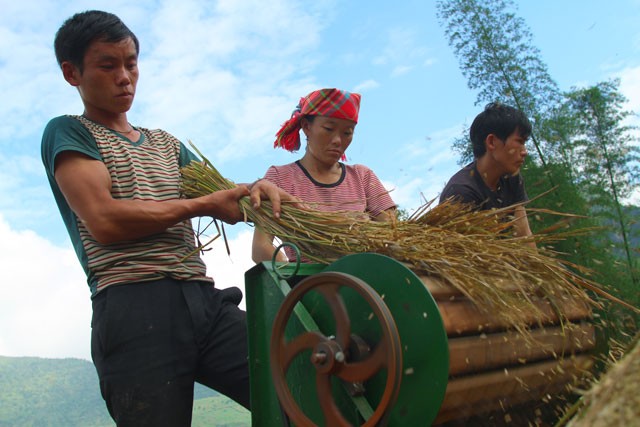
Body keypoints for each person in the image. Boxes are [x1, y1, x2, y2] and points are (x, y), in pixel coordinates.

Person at [41, 10, 295, 426]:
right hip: (132, 306)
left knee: (299, 388)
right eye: (108, 65)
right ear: (72, 73)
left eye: (131, 63)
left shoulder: (166, 144)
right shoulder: (70, 133)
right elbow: (104, 221)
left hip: (203, 301)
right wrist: (203, 205)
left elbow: (223, 196)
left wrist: (255, 194)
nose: (124, 76)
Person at [252, 88, 396, 263]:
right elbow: (261, 247)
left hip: (365, 279)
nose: (337, 140)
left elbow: (394, 236)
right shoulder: (279, 178)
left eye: (347, 133)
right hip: (307, 284)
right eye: (329, 129)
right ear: (306, 126)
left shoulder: (362, 176)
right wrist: (293, 280)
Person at [439, 102, 534, 242]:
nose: (525, 151)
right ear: (491, 142)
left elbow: (524, 235)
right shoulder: (461, 194)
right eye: (519, 141)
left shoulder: (511, 177)